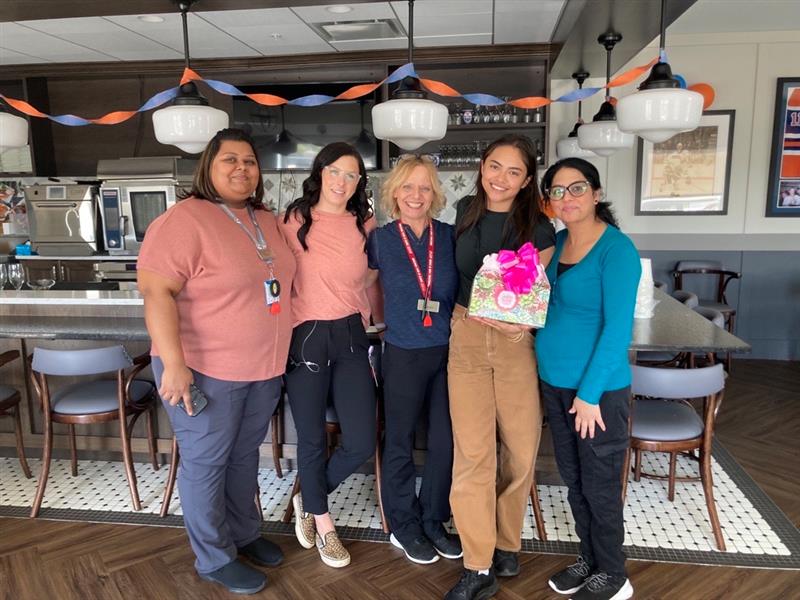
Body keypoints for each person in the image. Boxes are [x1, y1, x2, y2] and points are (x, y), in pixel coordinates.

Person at [137, 128, 295, 595]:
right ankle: (214, 556)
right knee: (206, 462)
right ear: (208, 166)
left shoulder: (264, 218)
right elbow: (156, 292)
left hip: (263, 369)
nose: (242, 169)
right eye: (230, 160)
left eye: (249, 161)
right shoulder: (184, 220)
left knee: (244, 457)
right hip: (204, 370)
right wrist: (174, 362)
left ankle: (244, 534)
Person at [445, 134, 556, 600]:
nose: (501, 178)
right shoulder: (464, 211)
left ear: (527, 179)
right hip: (466, 334)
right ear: (482, 165)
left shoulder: (541, 227)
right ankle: (478, 564)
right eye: (495, 166)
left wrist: (520, 327)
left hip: (515, 343)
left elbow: (532, 296)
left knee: (520, 449)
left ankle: (508, 542)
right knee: (473, 454)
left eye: (514, 171)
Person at [536, 157, 640, 600]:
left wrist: (591, 394)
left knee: (599, 483)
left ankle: (614, 574)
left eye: (576, 188)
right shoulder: (556, 245)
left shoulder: (617, 250)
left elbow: (617, 329)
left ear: (596, 194)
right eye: (557, 191)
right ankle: (589, 559)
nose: (566, 198)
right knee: (573, 479)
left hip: (595, 394)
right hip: (554, 384)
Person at [279, 142, 379, 569]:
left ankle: (308, 494)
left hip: (354, 334)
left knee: (359, 440)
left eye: (351, 175)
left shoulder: (367, 224)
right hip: (307, 334)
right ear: (320, 173)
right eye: (335, 171)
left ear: (359, 182)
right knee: (312, 436)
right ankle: (324, 524)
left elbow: (375, 275)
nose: (341, 181)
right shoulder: (293, 220)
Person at [366, 155, 462, 565]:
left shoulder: (452, 235)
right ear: (394, 193)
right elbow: (363, 287)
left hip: (447, 352)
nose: (416, 195)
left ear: (435, 194)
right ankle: (403, 524)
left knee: (444, 439)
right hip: (402, 352)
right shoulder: (380, 239)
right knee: (400, 439)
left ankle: (432, 517)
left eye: (424, 187)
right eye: (407, 187)